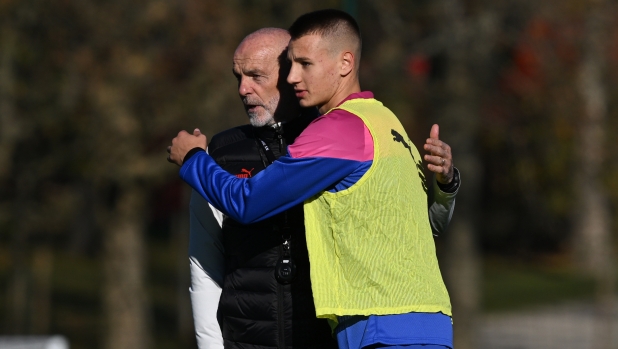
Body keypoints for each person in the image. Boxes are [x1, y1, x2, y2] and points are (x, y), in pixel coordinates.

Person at [174, 12, 460, 349]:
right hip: (431, 322)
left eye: (304, 64)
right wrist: (447, 184)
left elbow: (248, 202)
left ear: (344, 63)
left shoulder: (334, 131)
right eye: (291, 65)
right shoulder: (388, 123)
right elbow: (426, 226)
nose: (293, 77)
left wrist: (193, 159)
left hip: (378, 326)